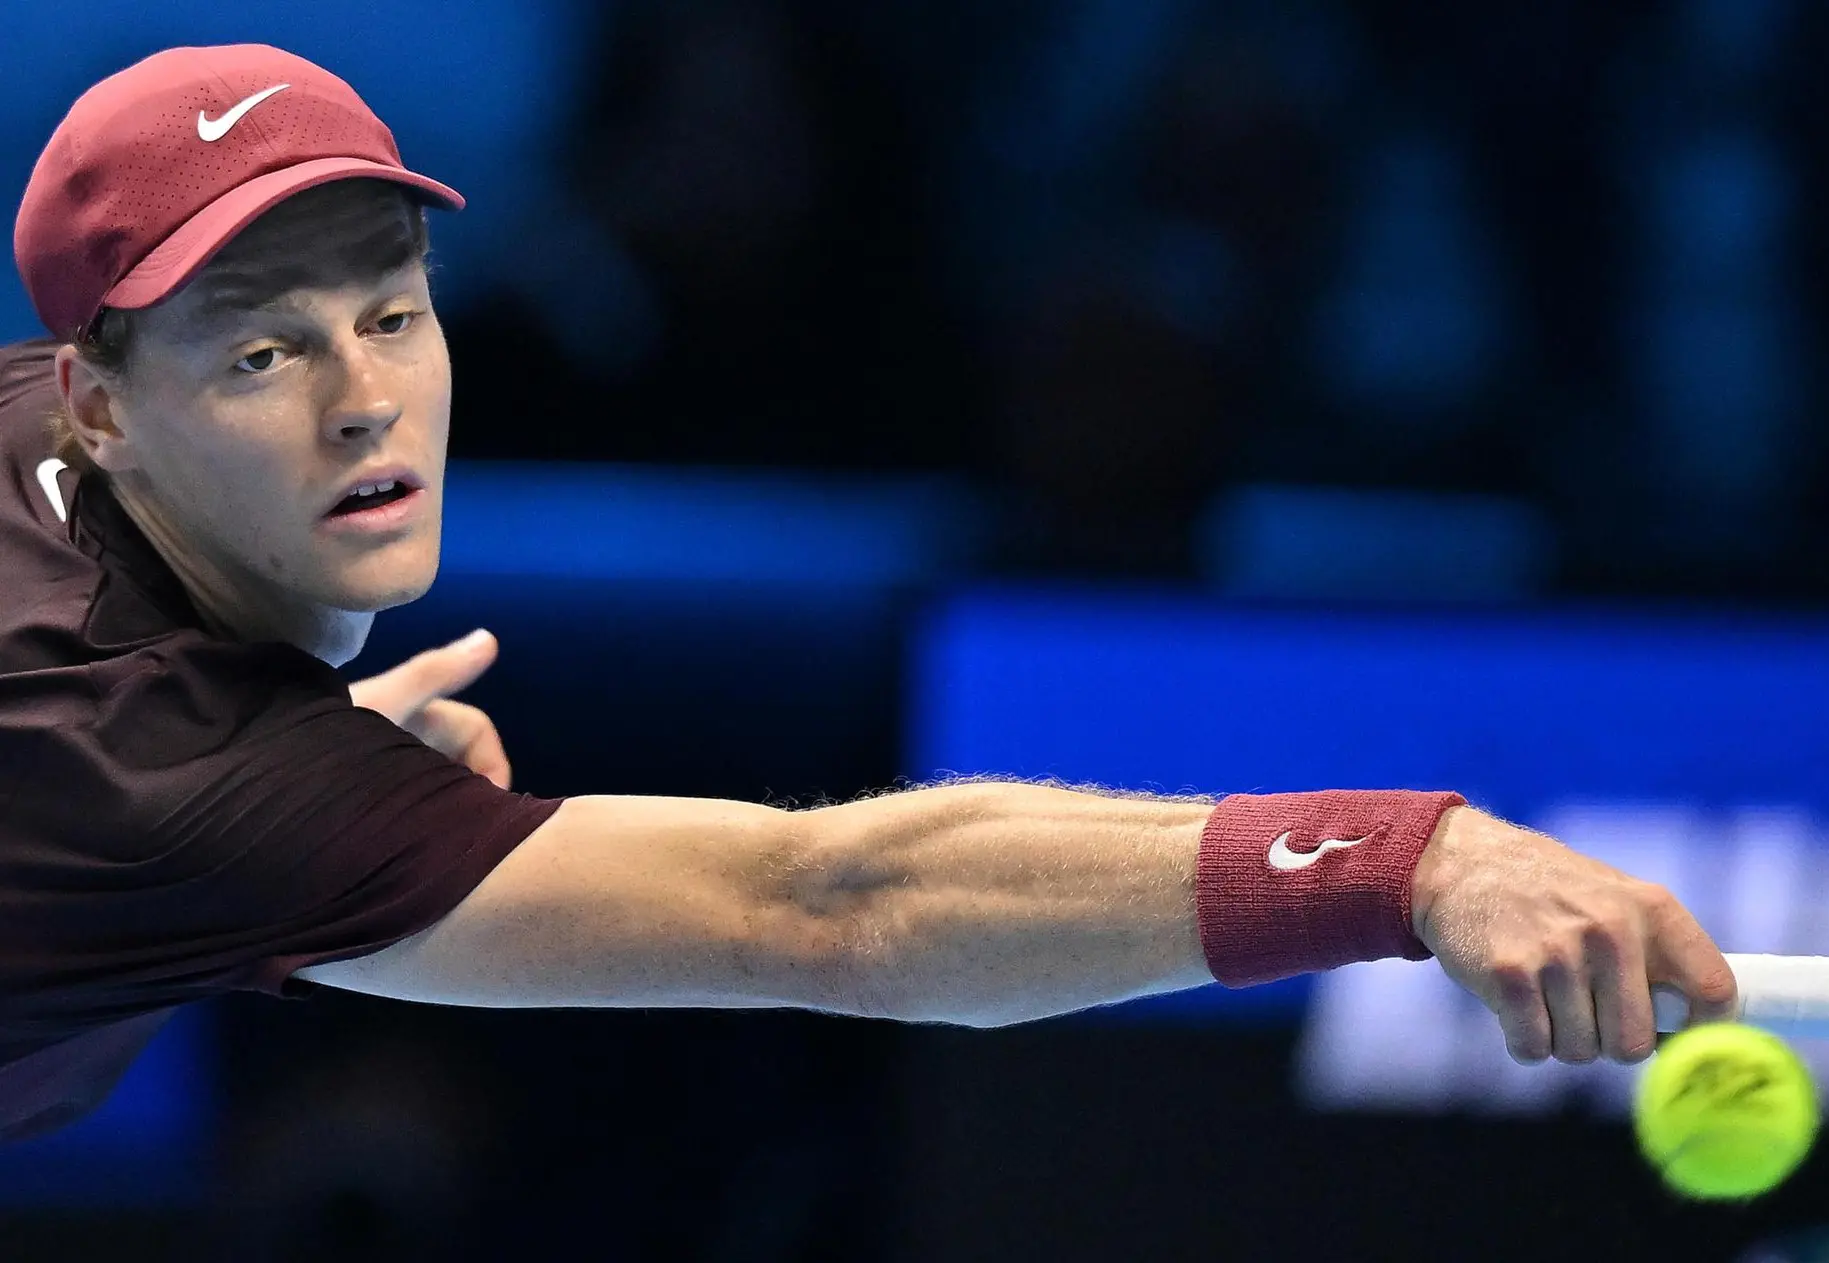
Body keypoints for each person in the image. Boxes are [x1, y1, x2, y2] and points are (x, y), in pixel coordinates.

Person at [0, 43, 1736, 1144]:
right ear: (100, 396)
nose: (365, 399)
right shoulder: (179, 779)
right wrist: (1402, 859)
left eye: (392, 311)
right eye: (260, 353)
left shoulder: (52, 471)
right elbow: (835, 905)